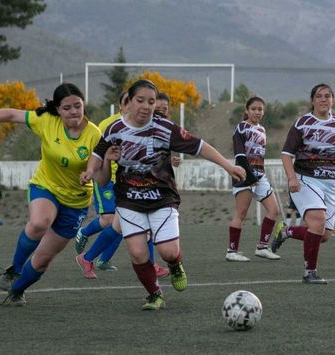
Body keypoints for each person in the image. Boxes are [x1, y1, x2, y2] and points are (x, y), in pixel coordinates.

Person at [81, 79, 246, 310]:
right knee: (138, 253)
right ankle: (154, 294)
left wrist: (228, 166)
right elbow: (98, 157)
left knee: (168, 251)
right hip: (129, 200)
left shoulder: (164, 128)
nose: (146, 106)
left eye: (151, 102)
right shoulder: (114, 129)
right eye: (140, 100)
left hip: (161, 198)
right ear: (128, 102)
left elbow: (200, 146)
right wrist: (90, 169)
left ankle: (175, 264)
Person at [0, 83, 102, 305]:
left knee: (42, 260)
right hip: (46, 187)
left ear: (83, 105)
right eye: (67, 108)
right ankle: (14, 270)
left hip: (76, 202)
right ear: (58, 110)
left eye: (77, 106)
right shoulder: (46, 121)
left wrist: (90, 173)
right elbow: (12, 114)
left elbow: (97, 164)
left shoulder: (94, 133)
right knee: (38, 224)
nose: (73, 111)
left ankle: (17, 290)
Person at [270, 83, 335, 284]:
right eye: (319, 96)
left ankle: (287, 231)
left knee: (325, 235)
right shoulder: (302, 123)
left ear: (333, 100)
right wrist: (292, 178)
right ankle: (310, 272)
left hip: (330, 183)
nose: (323, 99)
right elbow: (286, 154)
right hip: (305, 180)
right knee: (317, 222)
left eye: (327, 96)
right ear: (312, 101)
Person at [75, 92, 170, 277]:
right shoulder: (110, 125)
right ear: (121, 105)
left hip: (132, 183)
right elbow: (97, 153)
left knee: (121, 225)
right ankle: (87, 243)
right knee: (114, 221)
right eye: (132, 102)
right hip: (110, 181)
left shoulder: (143, 125)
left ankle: (91, 258)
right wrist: (92, 171)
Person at [226, 96, 281, 262]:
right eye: (254, 109)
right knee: (241, 214)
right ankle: (231, 251)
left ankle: (262, 247)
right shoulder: (241, 128)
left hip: (259, 176)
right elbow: (240, 156)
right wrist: (250, 177)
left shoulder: (262, 130)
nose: (257, 112)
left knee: (274, 210)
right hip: (243, 175)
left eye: (260, 109)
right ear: (247, 111)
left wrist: (258, 175)